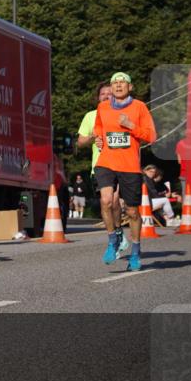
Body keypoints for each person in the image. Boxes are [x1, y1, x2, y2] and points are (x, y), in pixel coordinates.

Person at [93, 71, 156, 271]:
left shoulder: (139, 107)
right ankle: (113, 241)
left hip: (129, 165)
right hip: (106, 162)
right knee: (106, 200)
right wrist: (98, 138)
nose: (118, 85)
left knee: (132, 212)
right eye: (115, 83)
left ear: (130, 87)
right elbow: (98, 127)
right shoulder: (102, 107)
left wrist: (131, 126)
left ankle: (136, 253)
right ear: (111, 88)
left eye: (123, 82)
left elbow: (151, 136)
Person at [77, 81, 129, 253]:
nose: (106, 96)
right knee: (106, 202)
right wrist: (93, 136)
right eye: (103, 94)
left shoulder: (124, 114)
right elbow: (80, 142)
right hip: (100, 166)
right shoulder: (90, 116)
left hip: (121, 164)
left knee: (115, 202)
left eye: (110, 93)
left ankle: (118, 231)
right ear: (97, 98)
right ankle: (113, 237)